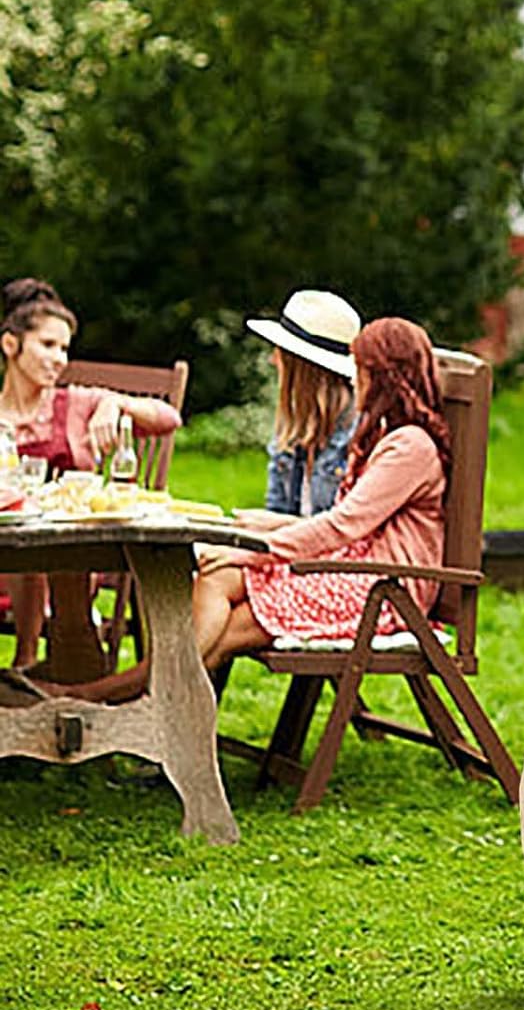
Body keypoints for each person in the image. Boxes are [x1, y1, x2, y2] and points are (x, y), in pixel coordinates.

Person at [43, 317, 448, 704]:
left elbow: (342, 525)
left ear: (384, 378)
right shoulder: (385, 437)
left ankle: (109, 698)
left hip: (383, 593)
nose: (353, 380)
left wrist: (255, 550)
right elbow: (347, 522)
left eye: (359, 371)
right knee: (218, 576)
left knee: (224, 635)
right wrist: (259, 531)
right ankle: (134, 704)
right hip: (353, 573)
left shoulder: (409, 446)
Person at [0, 278, 181, 670]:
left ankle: (30, 665)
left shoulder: (76, 403)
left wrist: (115, 403)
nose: (59, 359)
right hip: (4, 559)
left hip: (75, 557)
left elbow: (169, 418)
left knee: (48, 551)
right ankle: (36, 669)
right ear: (11, 345)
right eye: (48, 345)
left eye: (64, 348)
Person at [241, 290, 361, 520]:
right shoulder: (292, 428)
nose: (273, 360)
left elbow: (347, 528)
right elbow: (276, 510)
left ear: (301, 370)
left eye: (279, 353)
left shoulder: (360, 436)